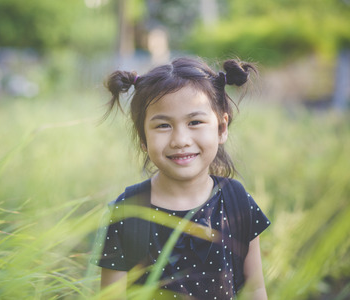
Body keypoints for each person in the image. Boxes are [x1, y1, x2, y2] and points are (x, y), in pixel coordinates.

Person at [92, 57, 270, 300]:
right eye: (163, 125)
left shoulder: (237, 202)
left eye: (195, 122)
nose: (180, 140)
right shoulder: (128, 211)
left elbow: (255, 289)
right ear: (142, 138)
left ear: (221, 128)